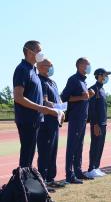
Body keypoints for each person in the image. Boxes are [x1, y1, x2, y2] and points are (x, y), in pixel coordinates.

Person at [13, 40, 58, 168]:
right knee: (27, 154)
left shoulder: (32, 70)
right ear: (29, 52)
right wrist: (41, 107)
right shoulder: (22, 69)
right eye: (38, 51)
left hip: (35, 118)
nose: (41, 54)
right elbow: (18, 97)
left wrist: (47, 106)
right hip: (27, 119)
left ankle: (26, 183)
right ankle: (22, 185)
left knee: (30, 154)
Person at [61, 57, 95, 184]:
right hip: (75, 119)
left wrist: (88, 96)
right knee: (72, 146)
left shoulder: (83, 81)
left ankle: (78, 171)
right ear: (80, 66)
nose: (89, 66)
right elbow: (64, 97)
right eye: (87, 64)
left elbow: (84, 99)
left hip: (82, 119)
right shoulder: (73, 79)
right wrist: (82, 96)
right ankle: (69, 175)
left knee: (79, 146)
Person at [37, 59, 65, 189]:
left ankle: (50, 178)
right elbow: (45, 102)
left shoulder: (52, 82)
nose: (51, 68)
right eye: (49, 65)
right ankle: (42, 180)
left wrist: (62, 110)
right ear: (41, 67)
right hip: (45, 122)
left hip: (54, 121)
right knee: (44, 152)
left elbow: (58, 100)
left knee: (53, 151)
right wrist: (58, 109)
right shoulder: (40, 81)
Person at [85, 68, 111, 178]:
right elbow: (92, 108)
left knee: (100, 146)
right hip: (97, 123)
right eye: (104, 75)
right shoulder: (93, 89)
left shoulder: (102, 89)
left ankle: (96, 167)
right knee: (95, 145)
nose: (106, 77)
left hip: (103, 122)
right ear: (99, 75)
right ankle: (91, 169)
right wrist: (95, 124)